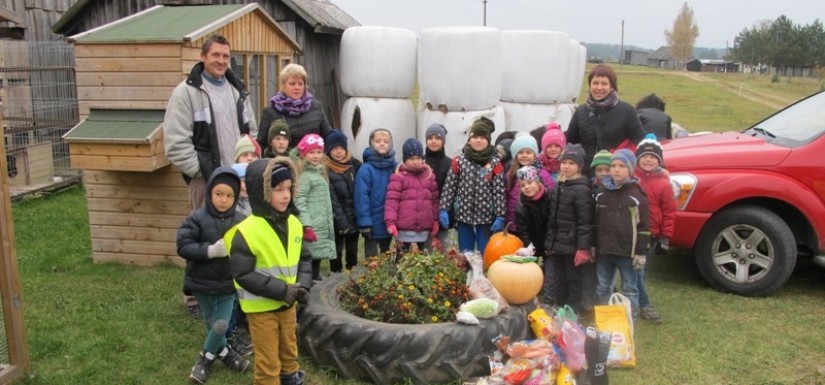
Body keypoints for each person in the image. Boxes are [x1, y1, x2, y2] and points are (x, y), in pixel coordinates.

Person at [163, 34, 258, 320]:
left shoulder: (236, 89)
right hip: (207, 181)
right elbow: (176, 143)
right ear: (203, 56)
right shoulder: (187, 93)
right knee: (203, 235)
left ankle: (231, 293)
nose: (220, 61)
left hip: (238, 179)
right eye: (215, 55)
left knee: (236, 236)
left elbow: (251, 131)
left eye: (226, 57)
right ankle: (195, 298)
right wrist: (205, 174)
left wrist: (247, 167)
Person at [226, 157, 312, 385]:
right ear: (261, 192)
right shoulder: (246, 232)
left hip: (288, 303)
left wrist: (302, 286)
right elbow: (243, 274)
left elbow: (304, 258)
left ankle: (291, 378)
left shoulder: (294, 223)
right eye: (278, 189)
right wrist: (281, 290)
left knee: (289, 350)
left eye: (288, 188)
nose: (286, 195)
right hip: (261, 308)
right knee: (268, 361)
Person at [176, 167, 250, 384]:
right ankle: (226, 355)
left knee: (220, 325)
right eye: (219, 194)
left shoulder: (242, 221)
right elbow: (183, 246)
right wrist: (210, 251)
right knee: (212, 324)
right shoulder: (196, 218)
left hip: (228, 284)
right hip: (201, 283)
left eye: (229, 195)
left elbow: (250, 250)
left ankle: (204, 361)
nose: (224, 200)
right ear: (209, 193)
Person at [593, 149, 650, 320]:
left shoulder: (637, 197)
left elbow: (644, 227)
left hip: (627, 253)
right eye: (613, 166)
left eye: (622, 166)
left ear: (630, 169)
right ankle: (605, 317)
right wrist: (592, 246)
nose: (616, 170)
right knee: (603, 286)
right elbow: (593, 223)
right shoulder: (600, 194)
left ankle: (629, 318)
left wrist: (641, 252)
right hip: (604, 251)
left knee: (630, 288)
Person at [439, 117, 506, 253]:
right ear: (469, 140)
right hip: (464, 216)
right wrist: (444, 208)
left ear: (488, 141)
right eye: (475, 137)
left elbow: (499, 191)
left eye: (483, 137)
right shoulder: (459, 162)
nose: (478, 140)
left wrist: (500, 215)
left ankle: (483, 272)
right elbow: (449, 187)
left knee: (485, 250)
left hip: (485, 218)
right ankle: (466, 272)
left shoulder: (494, 163)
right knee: (466, 251)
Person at [565, 64, 646, 170]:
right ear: (590, 85)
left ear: (612, 86)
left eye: (604, 84)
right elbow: (570, 144)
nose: (599, 88)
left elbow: (641, 143)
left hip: (615, 174)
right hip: (585, 175)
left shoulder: (626, 110)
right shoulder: (581, 111)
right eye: (595, 83)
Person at [544, 144, 594, 315]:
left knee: (573, 279)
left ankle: (572, 311)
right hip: (558, 244)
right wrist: (549, 244)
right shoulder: (558, 187)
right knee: (560, 279)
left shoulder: (582, 190)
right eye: (564, 162)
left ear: (579, 166)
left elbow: (585, 222)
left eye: (571, 163)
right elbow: (551, 219)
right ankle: (560, 309)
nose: (566, 166)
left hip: (573, 246)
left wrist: (583, 248)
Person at [634, 134, 676, 324]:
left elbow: (669, 212)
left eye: (652, 157)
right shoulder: (632, 178)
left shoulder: (664, 184)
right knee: (632, 270)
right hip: (631, 231)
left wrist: (666, 237)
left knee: (640, 271)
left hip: (651, 234)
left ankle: (643, 304)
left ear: (659, 160)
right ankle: (638, 301)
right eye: (644, 156)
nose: (648, 160)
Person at [257, 63, 331, 149]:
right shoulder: (271, 111)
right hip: (282, 161)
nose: (297, 87)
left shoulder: (316, 108)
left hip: (312, 160)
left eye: (300, 84)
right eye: (292, 84)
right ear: (283, 86)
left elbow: (328, 138)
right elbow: (261, 145)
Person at [385, 138, 440, 254]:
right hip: (403, 230)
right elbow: (392, 201)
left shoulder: (429, 176)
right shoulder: (398, 177)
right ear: (405, 159)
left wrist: (435, 221)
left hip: (423, 229)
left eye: (418, 158)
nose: (415, 162)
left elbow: (434, 201)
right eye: (411, 158)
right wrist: (390, 222)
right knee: (402, 259)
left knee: (422, 261)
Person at [294, 134, 336, 280]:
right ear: (303, 154)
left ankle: (315, 278)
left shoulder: (319, 173)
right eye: (311, 152)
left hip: (320, 224)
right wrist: (306, 226)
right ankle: (308, 285)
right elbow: (300, 201)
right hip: (312, 225)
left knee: (316, 257)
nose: (316, 156)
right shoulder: (305, 176)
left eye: (319, 152)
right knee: (309, 258)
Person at [354, 128, 398, 258]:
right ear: (371, 143)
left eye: (386, 141)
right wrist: (365, 223)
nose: (382, 144)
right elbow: (361, 198)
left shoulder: (395, 167)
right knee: (372, 259)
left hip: (389, 220)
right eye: (378, 141)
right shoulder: (365, 170)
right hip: (372, 223)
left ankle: (387, 277)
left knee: (387, 255)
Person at [324, 130, 362, 272]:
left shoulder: (353, 165)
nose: (339, 152)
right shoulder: (326, 169)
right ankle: (336, 273)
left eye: (341, 148)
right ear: (328, 150)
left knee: (352, 250)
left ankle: (352, 273)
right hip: (336, 220)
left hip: (353, 216)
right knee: (336, 251)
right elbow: (332, 199)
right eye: (334, 148)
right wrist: (341, 221)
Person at [505, 133, 554, 233]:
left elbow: (552, 193)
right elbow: (506, 196)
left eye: (528, 152)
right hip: (514, 222)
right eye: (521, 153)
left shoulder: (542, 173)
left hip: (536, 223)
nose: (524, 155)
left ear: (535, 154)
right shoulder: (511, 174)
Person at [423, 123, 453, 247]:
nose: (433, 141)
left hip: (443, 212)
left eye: (437, 138)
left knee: (442, 246)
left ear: (443, 141)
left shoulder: (449, 163)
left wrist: (445, 210)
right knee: (425, 247)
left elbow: (451, 189)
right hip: (424, 213)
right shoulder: (420, 161)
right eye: (430, 138)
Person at [514, 165, 550, 264]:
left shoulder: (550, 199)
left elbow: (553, 224)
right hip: (533, 249)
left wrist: (549, 244)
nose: (527, 187)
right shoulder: (521, 207)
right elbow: (522, 230)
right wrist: (529, 246)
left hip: (550, 247)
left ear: (538, 182)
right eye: (522, 185)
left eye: (530, 182)